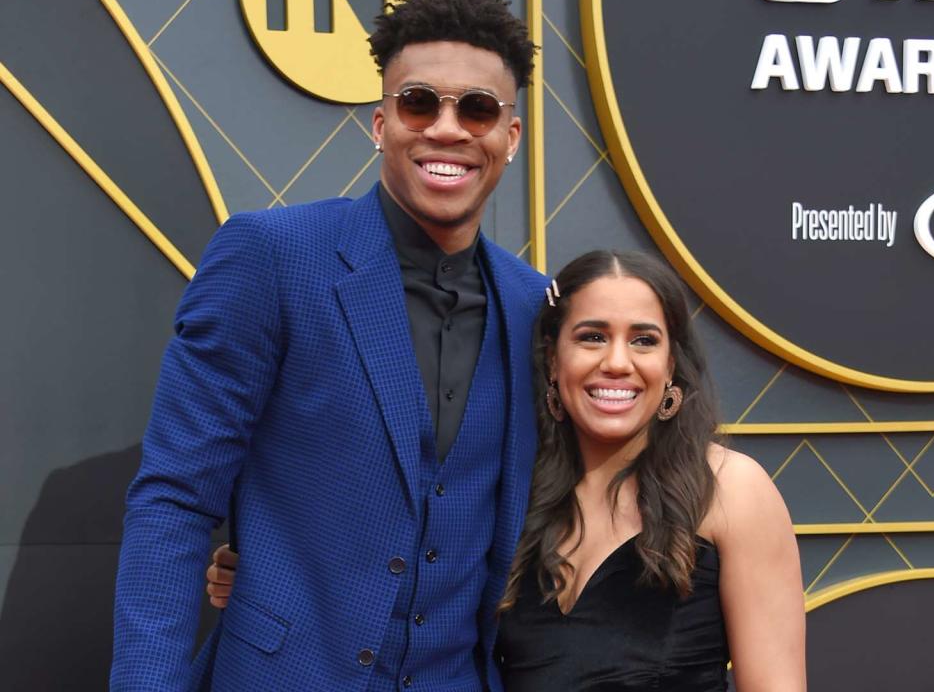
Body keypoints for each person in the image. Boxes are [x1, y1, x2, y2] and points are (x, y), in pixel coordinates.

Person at [111, 0, 544, 692]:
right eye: (418, 102)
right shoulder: (272, 257)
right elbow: (175, 499)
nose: (447, 129)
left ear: (510, 136)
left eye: (477, 108)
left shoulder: (534, 307)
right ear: (380, 123)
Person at [207, 250, 807, 691]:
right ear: (553, 361)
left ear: (673, 364)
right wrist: (267, 574)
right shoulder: (509, 491)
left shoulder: (730, 490)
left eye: (643, 340)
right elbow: (399, 591)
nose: (617, 363)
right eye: (592, 336)